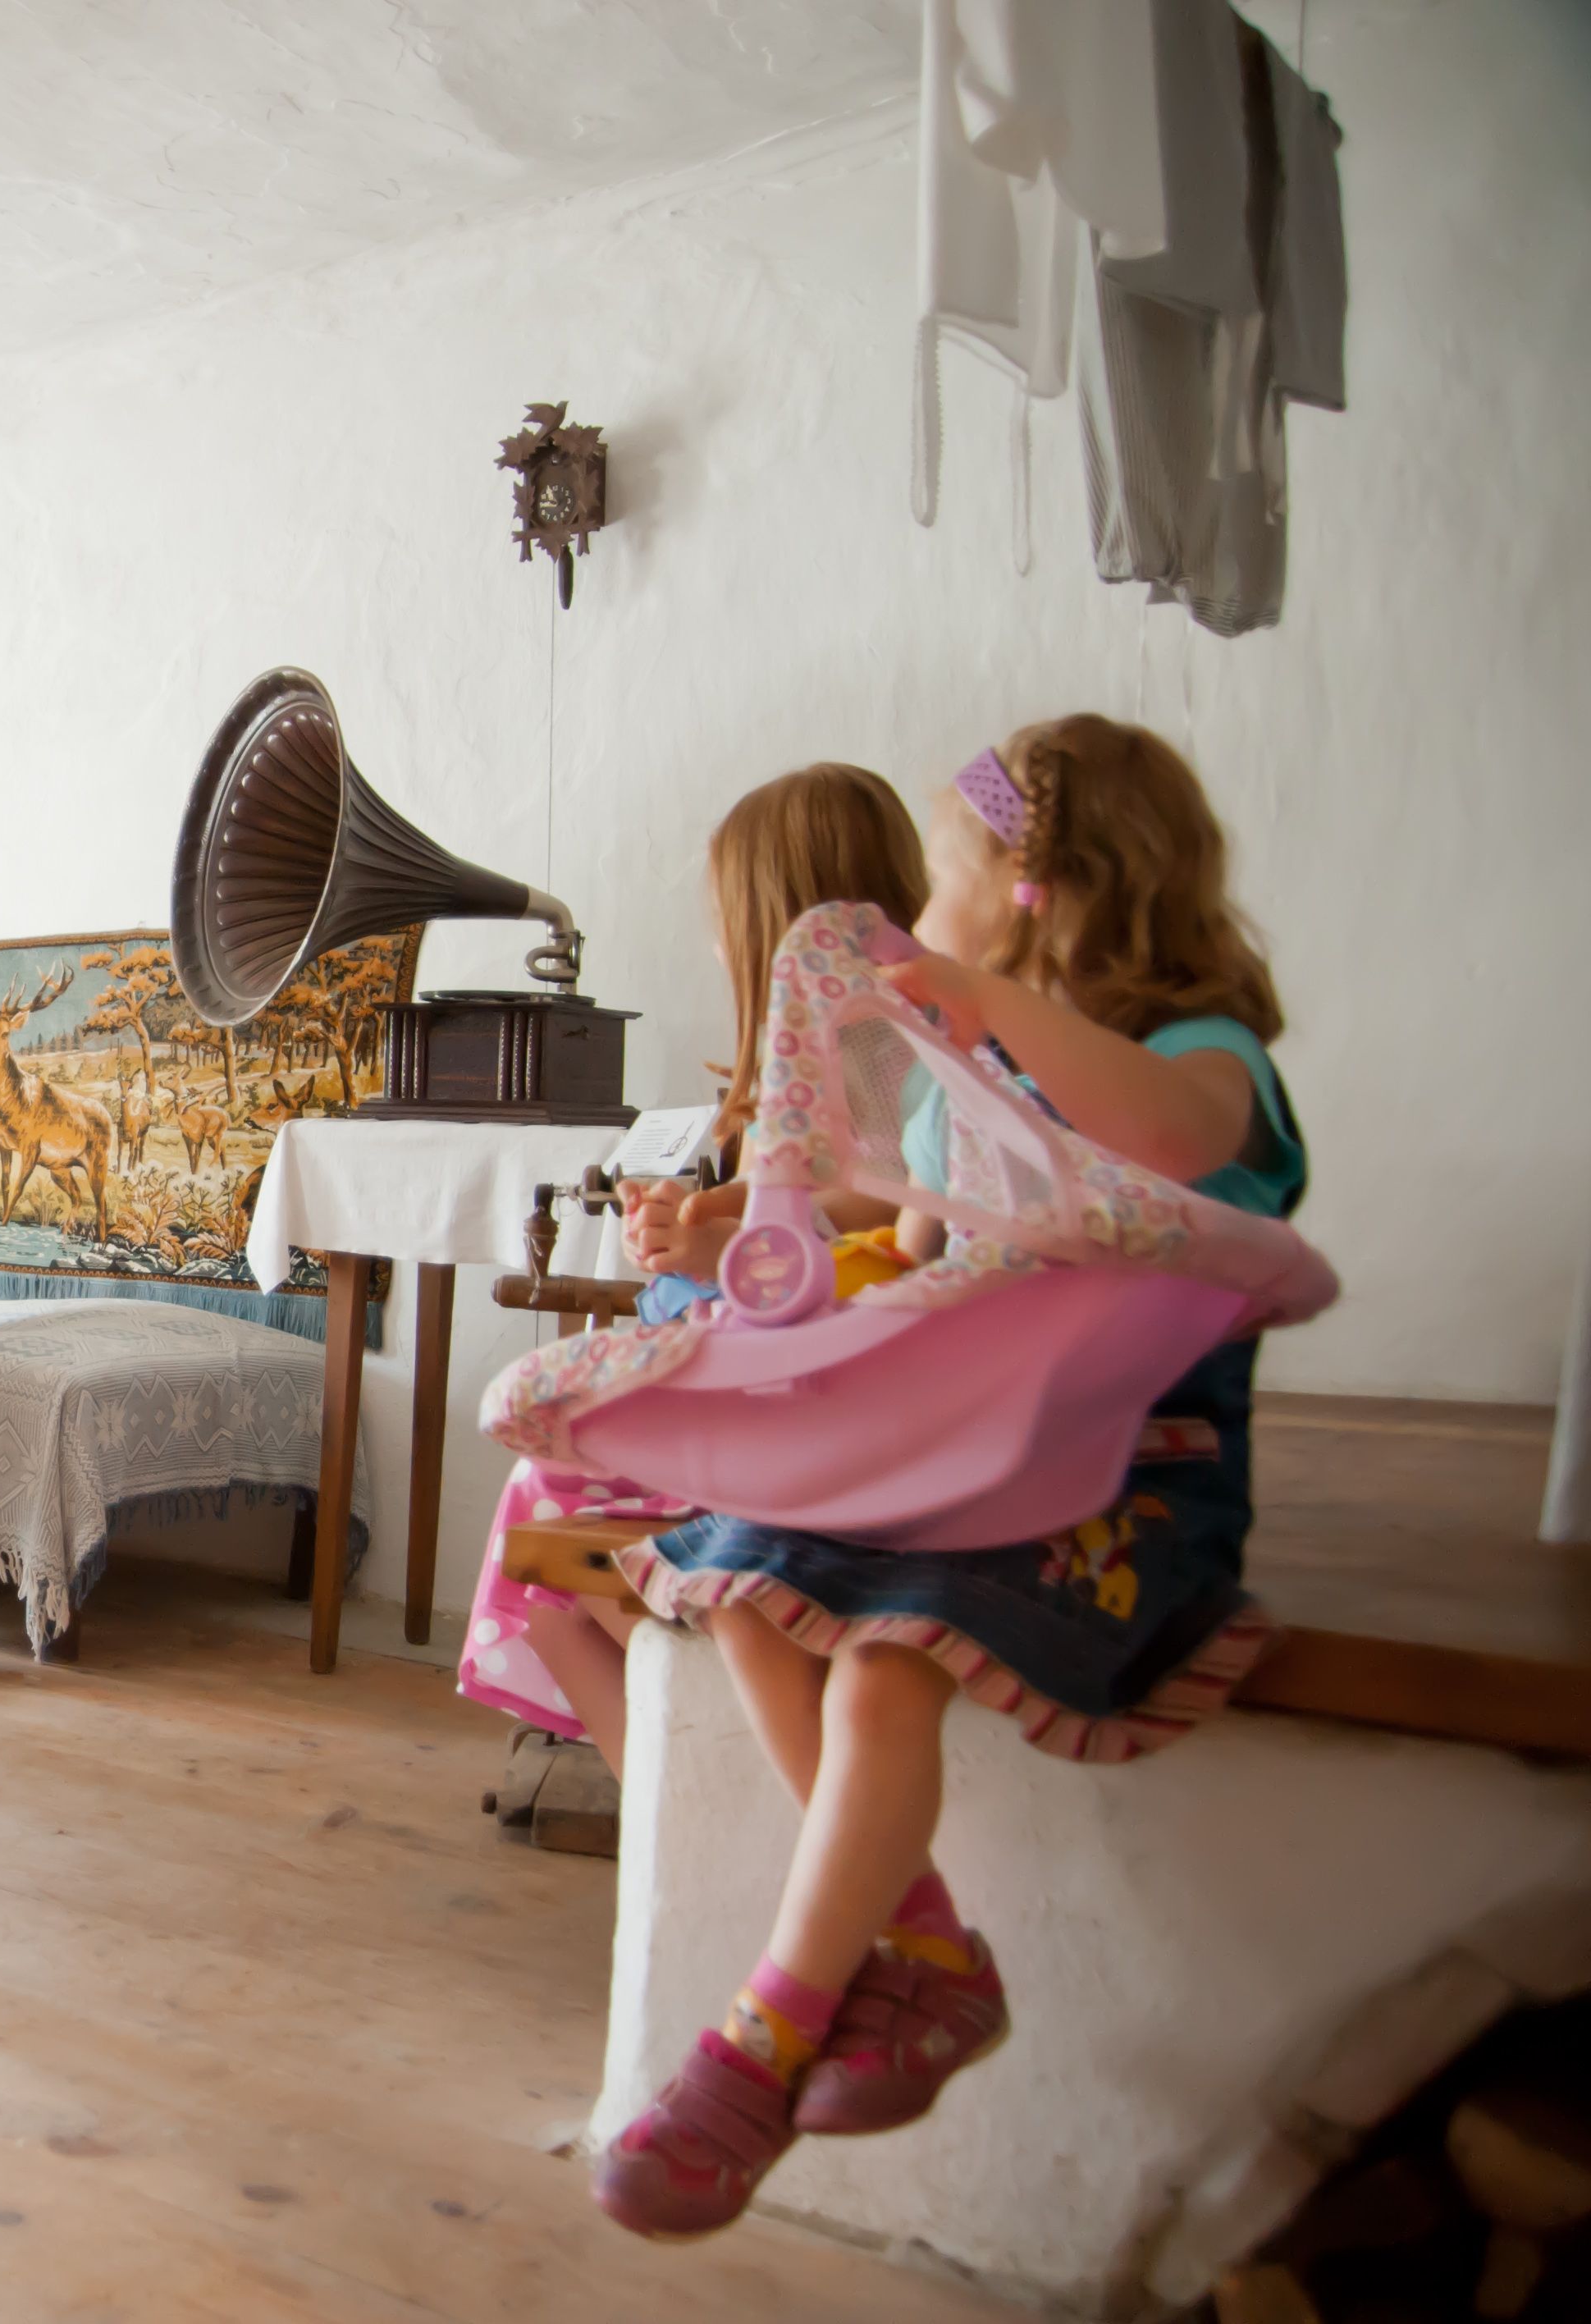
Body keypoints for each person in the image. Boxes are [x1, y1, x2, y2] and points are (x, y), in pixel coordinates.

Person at [593, 716, 1308, 2240]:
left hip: (1123, 1483)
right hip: (967, 1450)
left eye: (950, 873)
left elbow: (1169, 1138)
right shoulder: (975, 1070)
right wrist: (752, 1229)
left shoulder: (1204, 1060)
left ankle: (763, 2037)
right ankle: (924, 1954)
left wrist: (986, 1012)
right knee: (740, 1578)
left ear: (1039, 891)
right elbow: (910, 1245)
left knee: (886, 1661)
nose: (921, 905)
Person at [456, 763, 930, 1776]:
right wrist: (704, 1214)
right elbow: (810, 1193)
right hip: (784, 1388)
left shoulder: (881, 1044)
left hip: (816, 1413)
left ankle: (698, 1792)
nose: (715, 943)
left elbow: (887, 1209)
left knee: (548, 1513)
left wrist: (722, 1242)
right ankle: (673, 1803)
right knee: (548, 1573)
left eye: (723, 919)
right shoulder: (842, 1042)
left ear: (777, 918)